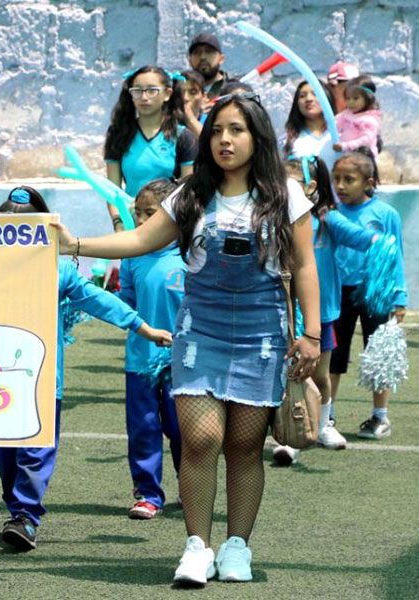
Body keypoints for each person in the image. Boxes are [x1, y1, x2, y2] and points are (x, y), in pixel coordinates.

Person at [53, 93, 321, 585]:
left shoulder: (285, 194)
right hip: (199, 334)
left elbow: (304, 264)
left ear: (256, 137)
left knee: (244, 445)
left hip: (262, 336)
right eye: (217, 130)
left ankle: (237, 546)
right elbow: (138, 240)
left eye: (236, 130)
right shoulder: (190, 193)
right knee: (199, 440)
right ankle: (197, 546)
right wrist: (73, 244)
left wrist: (312, 333)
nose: (225, 140)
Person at [0, 186, 173, 551]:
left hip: (43, 381)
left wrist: (144, 328)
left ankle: (26, 516)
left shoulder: (58, 270)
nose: (15, 235)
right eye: (6, 227)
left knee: (36, 448)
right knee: (6, 453)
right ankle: (16, 508)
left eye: (25, 228)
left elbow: (102, 301)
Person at [271, 154, 378, 465]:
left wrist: (378, 240)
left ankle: (324, 424)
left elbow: (358, 238)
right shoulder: (273, 217)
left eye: (291, 182)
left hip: (322, 311)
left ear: (311, 187)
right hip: (284, 310)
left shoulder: (325, 219)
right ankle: (291, 432)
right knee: (289, 374)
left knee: (320, 373)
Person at [116, 179, 184, 519]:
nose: (142, 221)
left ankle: (192, 486)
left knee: (184, 430)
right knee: (143, 428)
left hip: (185, 364)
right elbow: (126, 303)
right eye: (137, 213)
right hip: (140, 361)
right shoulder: (132, 256)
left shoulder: (190, 255)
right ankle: (147, 494)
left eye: (150, 213)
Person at [329, 149, 408, 440]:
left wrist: (399, 297)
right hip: (339, 291)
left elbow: (395, 253)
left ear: (368, 182)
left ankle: (380, 417)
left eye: (348, 179)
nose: (340, 185)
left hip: (377, 291)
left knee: (380, 356)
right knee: (334, 355)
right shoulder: (331, 214)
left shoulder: (387, 213)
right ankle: (328, 414)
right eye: (336, 179)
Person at [103, 65, 197, 227]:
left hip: (168, 226)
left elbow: (187, 190)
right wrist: (119, 222)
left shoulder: (183, 136)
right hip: (130, 222)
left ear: (167, 94)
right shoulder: (118, 134)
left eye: (152, 90)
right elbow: (112, 190)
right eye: (137, 91)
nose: (144, 97)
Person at [280, 80, 338, 170]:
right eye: (302, 96)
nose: (309, 99)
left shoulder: (341, 132)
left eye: (315, 94)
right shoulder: (287, 140)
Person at [332, 76, 382, 158]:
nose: (351, 102)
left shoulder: (369, 120)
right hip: (346, 156)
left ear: (367, 98)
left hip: (362, 159)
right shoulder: (347, 114)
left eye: (356, 98)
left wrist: (346, 146)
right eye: (348, 98)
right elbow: (335, 123)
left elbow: (366, 141)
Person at [187, 33, 230, 102]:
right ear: (190, 61)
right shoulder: (180, 91)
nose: (203, 57)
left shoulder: (233, 88)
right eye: (197, 52)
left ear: (221, 59)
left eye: (209, 51)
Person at [179, 69, 207, 137]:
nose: (185, 98)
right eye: (180, 92)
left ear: (203, 97)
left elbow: (210, 144)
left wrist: (191, 120)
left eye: (193, 92)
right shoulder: (166, 123)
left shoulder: (211, 122)